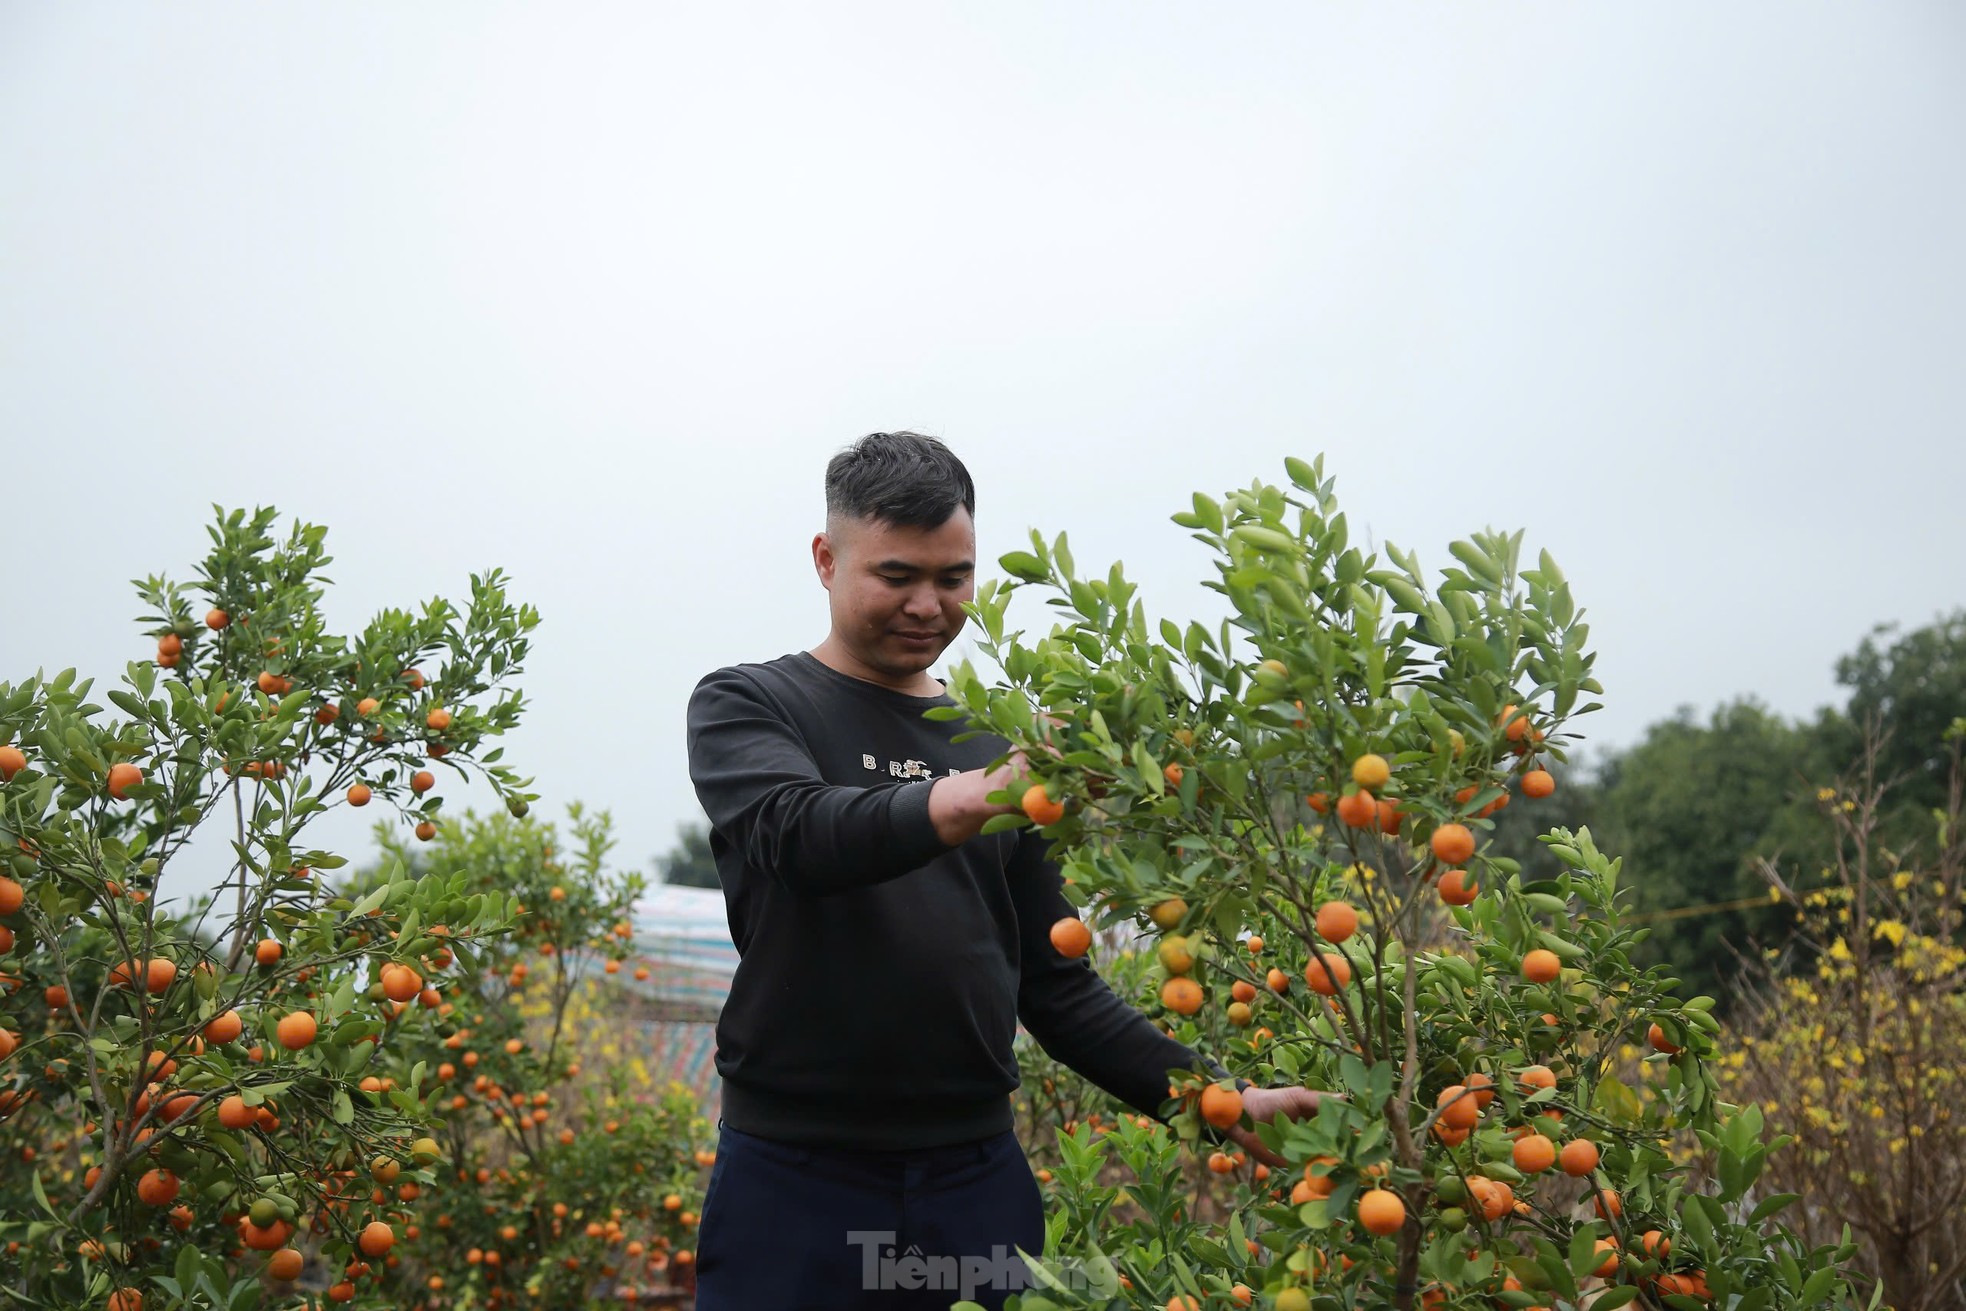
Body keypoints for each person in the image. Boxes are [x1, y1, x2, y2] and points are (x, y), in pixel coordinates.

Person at [685, 431, 1326, 1309]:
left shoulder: (991, 743)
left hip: (972, 1177)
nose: (928, 604)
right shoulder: (749, 703)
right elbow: (800, 834)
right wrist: (982, 792)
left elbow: (1054, 983)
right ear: (827, 560)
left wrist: (1212, 1096)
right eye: (897, 575)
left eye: (953, 578)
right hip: (796, 1176)